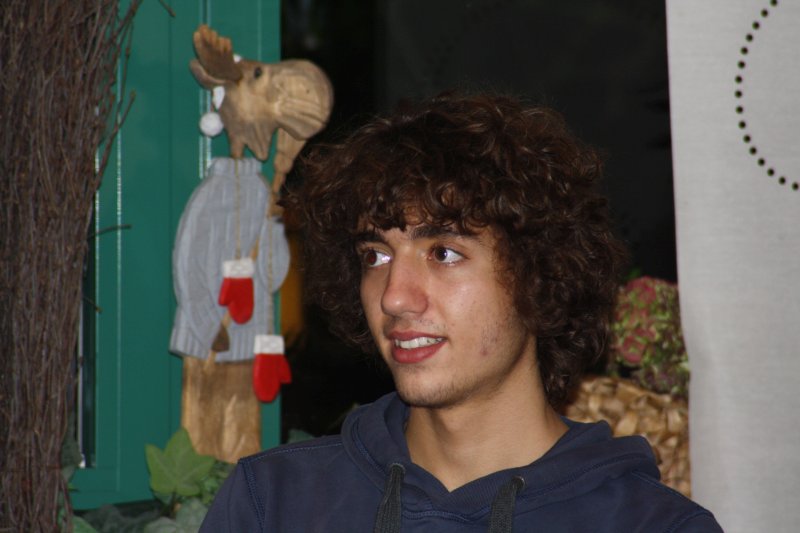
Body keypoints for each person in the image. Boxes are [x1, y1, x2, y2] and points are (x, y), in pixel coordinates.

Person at [199, 92, 722, 532]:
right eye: (375, 256)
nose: (394, 297)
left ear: (539, 275)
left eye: (444, 253)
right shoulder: (274, 505)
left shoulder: (653, 526)